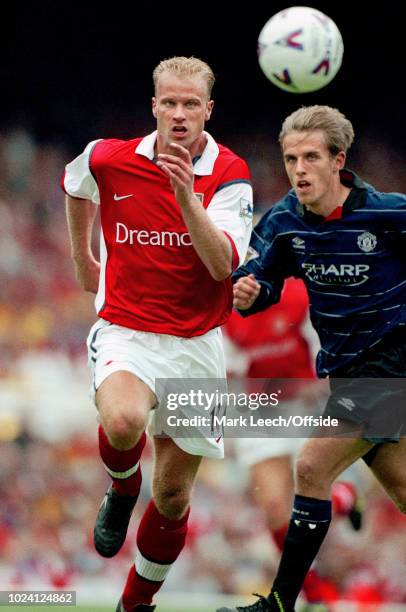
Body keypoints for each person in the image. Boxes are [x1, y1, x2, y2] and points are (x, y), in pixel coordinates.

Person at [62, 56, 253, 612]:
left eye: (190, 104)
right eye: (168, 102)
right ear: (153, 106)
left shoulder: (230, 173)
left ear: (208, 111)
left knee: (172, 496)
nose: (177, 114)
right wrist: (83, 258)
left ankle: (134, 605)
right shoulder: (112, 156)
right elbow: (77, 182)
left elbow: (222, 266)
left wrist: (186, 193)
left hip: (196, 344)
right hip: (128, 330)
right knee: (122, 423)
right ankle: (121, 486)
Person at [216, 105, 406, 612]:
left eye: (310, 157)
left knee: (312, 466)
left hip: (392, 368)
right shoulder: (281, 222)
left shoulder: (389, 214)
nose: (298, 169)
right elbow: (259, 279)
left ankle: (278, 604)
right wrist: (249, 290)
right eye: (290, 159)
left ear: (338, 160)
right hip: (347, 376)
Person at [223, 277, 361, 605]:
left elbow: (327, 360)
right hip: (259, 411)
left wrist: (310, 388)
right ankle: (313, 590)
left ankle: (344, 498)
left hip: (305, 404)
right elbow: (229, 373)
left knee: (309, 491)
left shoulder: (301, 295)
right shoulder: (224, 310)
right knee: (274, 507)